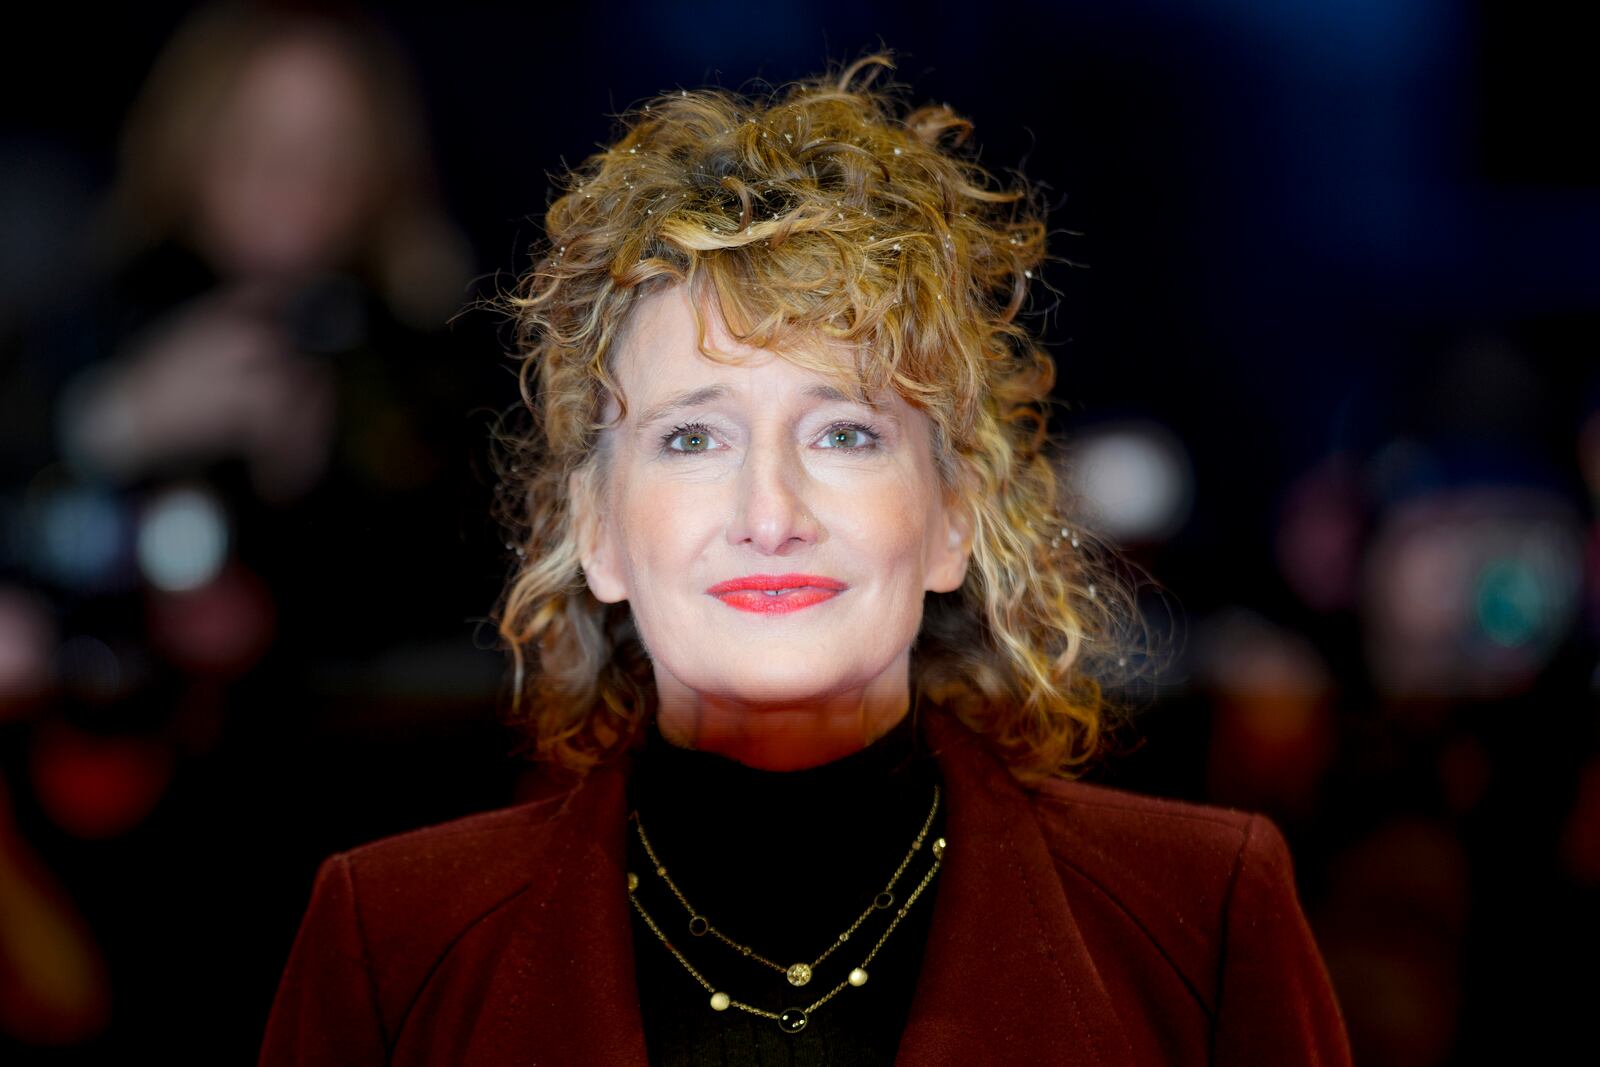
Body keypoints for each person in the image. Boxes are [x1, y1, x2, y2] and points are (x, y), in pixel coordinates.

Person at [259, 56, 1352, 1065]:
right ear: (592, 531)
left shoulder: (1202, 916)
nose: (768, 512)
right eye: (693, 436)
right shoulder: (391, 940)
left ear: (952, 516)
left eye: (844, 433)